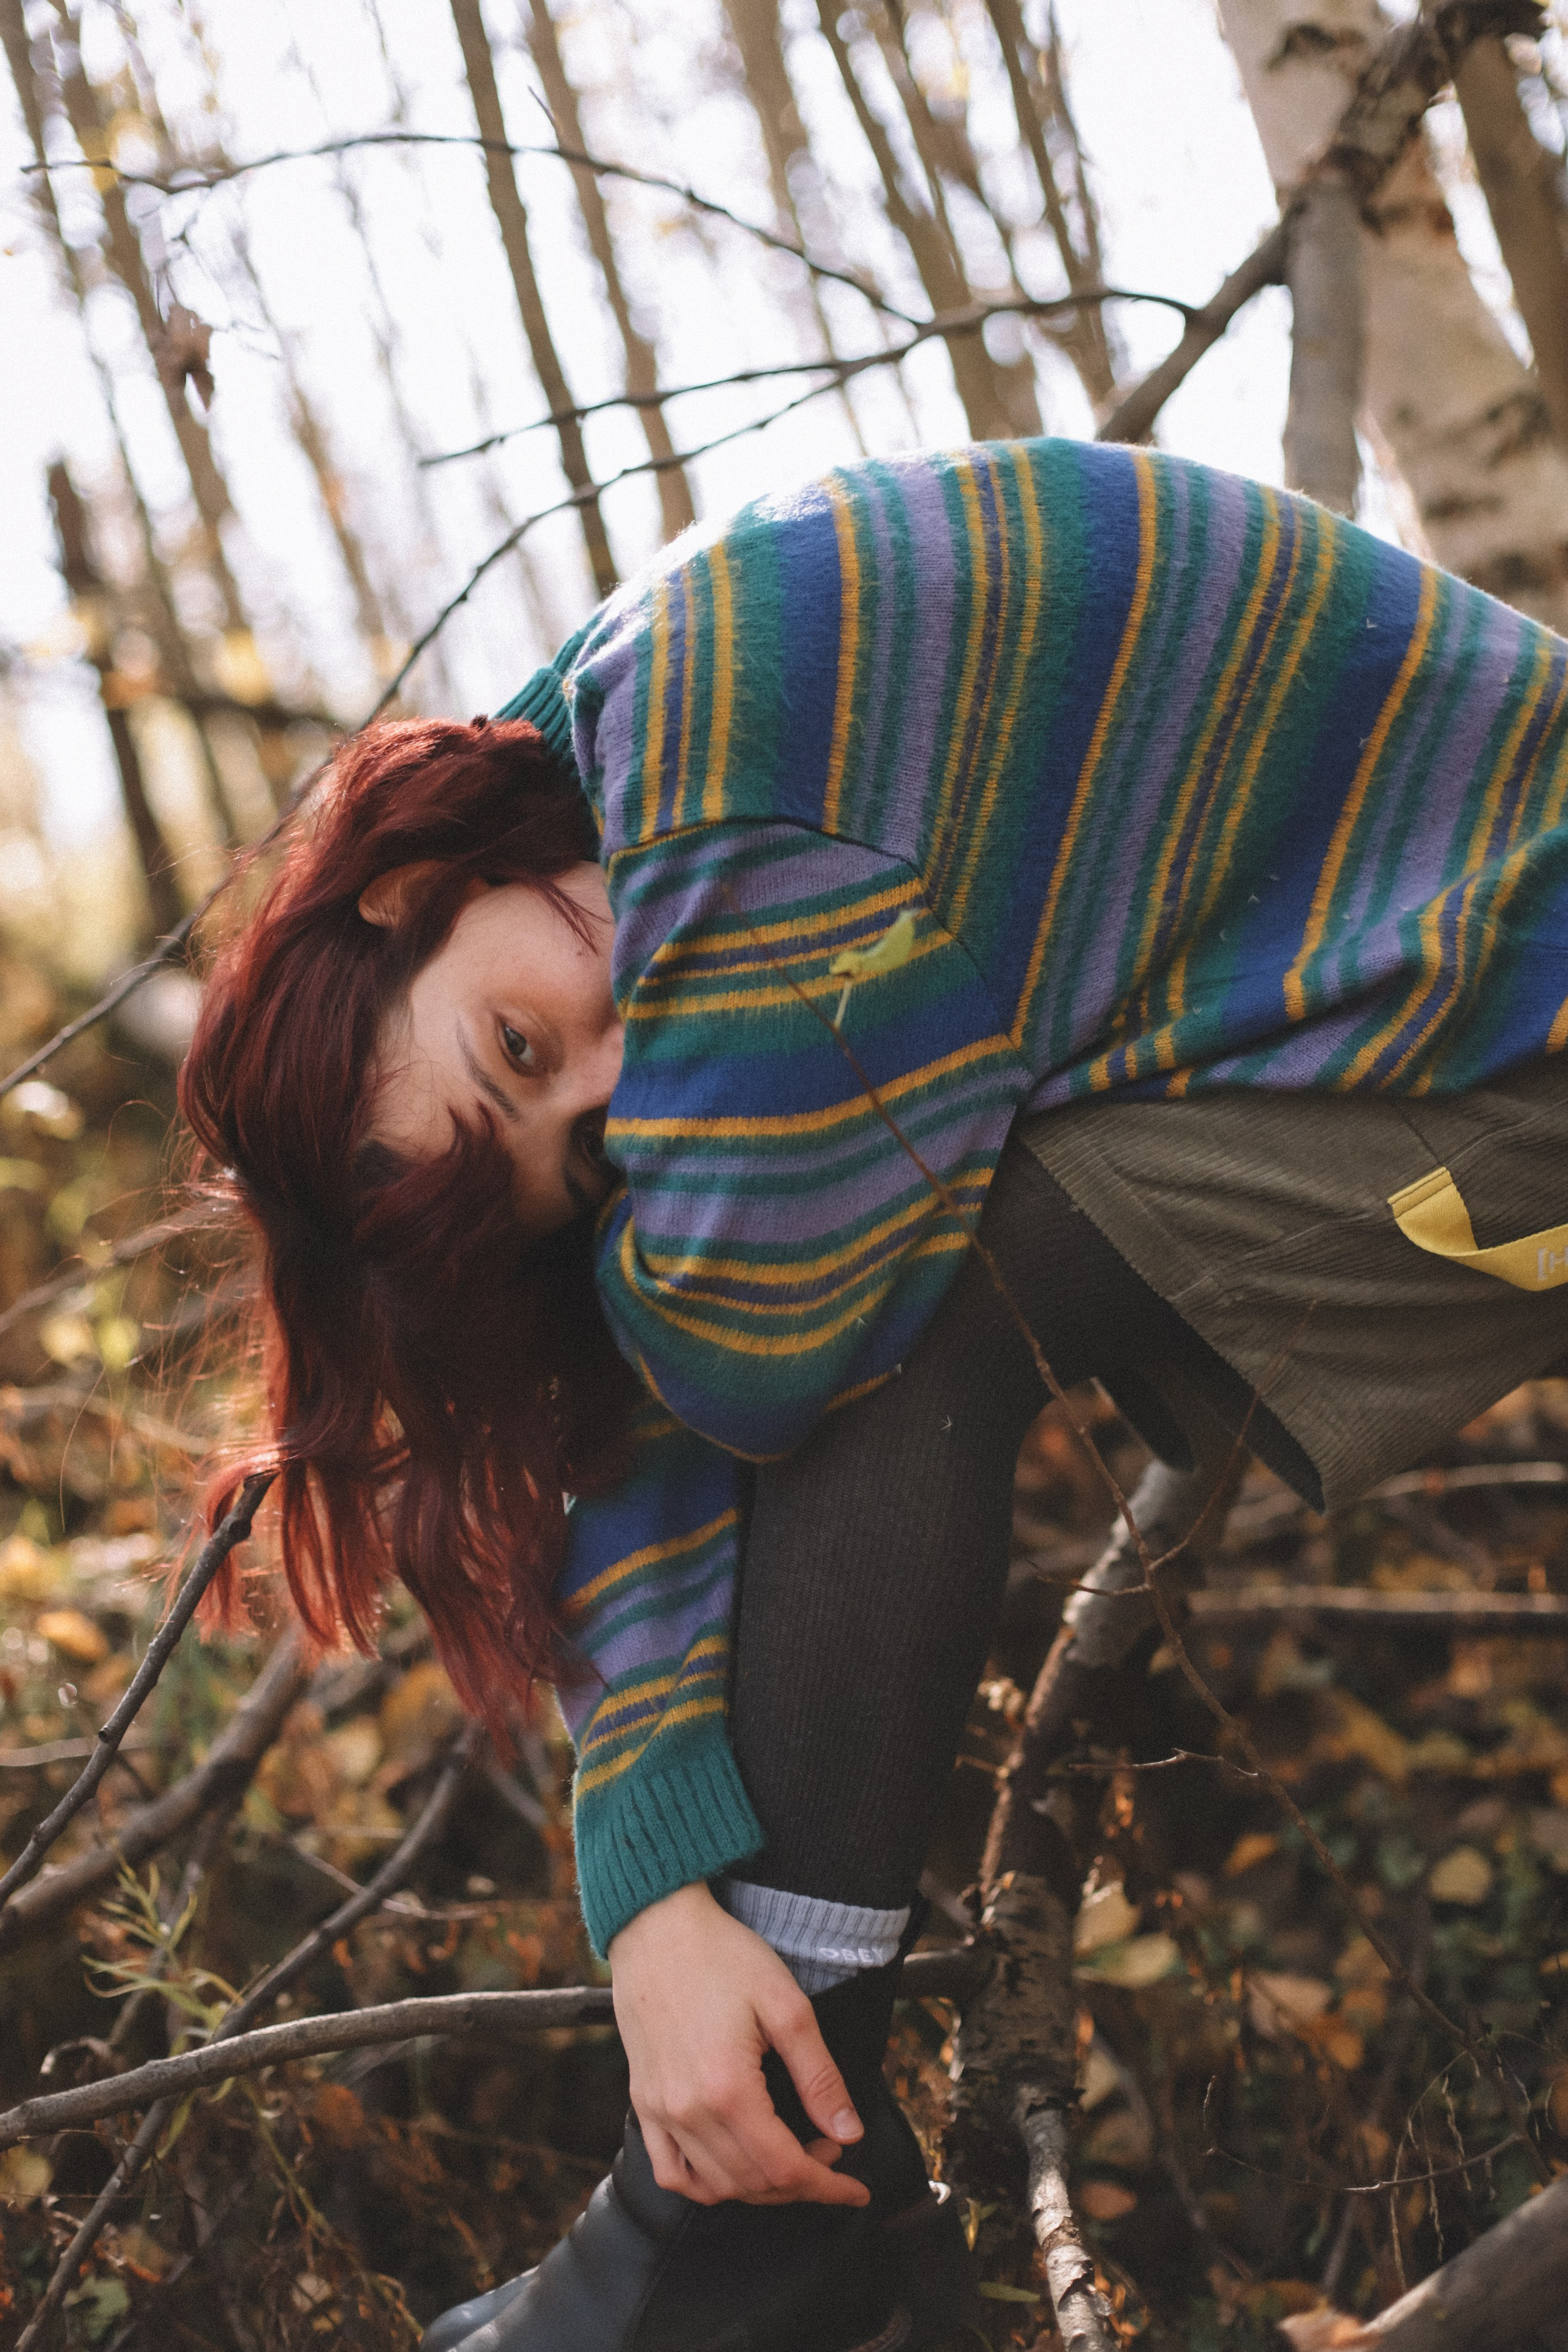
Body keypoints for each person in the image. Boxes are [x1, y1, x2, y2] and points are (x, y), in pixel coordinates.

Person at [180, 437, 1568, 2352]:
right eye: (580, 1149)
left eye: (515, 1049)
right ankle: (814, 2221)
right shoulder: (599, 764)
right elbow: (647, 1398)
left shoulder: (730, 784)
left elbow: (743, 1369)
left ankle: (767, 2229)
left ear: (412, 889)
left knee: (940, 1296)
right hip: (1409, 1013)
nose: (614, 1087)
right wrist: (655, 1904)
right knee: (893, 1266)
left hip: (1525, 1022)